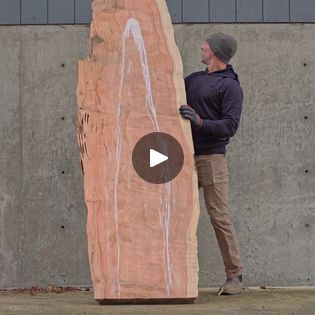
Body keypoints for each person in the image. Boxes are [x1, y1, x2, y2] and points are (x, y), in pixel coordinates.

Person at [179, 32, 244, 295]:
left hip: (211, 159)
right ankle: (175, 276)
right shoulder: (194, 79)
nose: (201, 45)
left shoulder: (230, 87)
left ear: (215, 51)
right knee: (176, 215)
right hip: (182, 157)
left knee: (219, 217)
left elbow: (230, 126)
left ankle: (235, 277)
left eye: (205, 43)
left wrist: (200, 122)